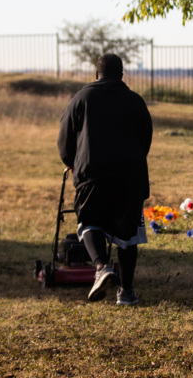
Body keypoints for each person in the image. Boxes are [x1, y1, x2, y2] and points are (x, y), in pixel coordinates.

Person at [58, 53, 153, 306]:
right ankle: (126, 292)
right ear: (122, 75)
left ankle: (101, 267)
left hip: (92, 174)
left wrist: (72, 162)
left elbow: (65, 142)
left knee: (90, 221)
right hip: (130, 176)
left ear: (96, 74)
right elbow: (146, 140)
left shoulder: (81, 99)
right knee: (128, 235)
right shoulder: (135, 101)